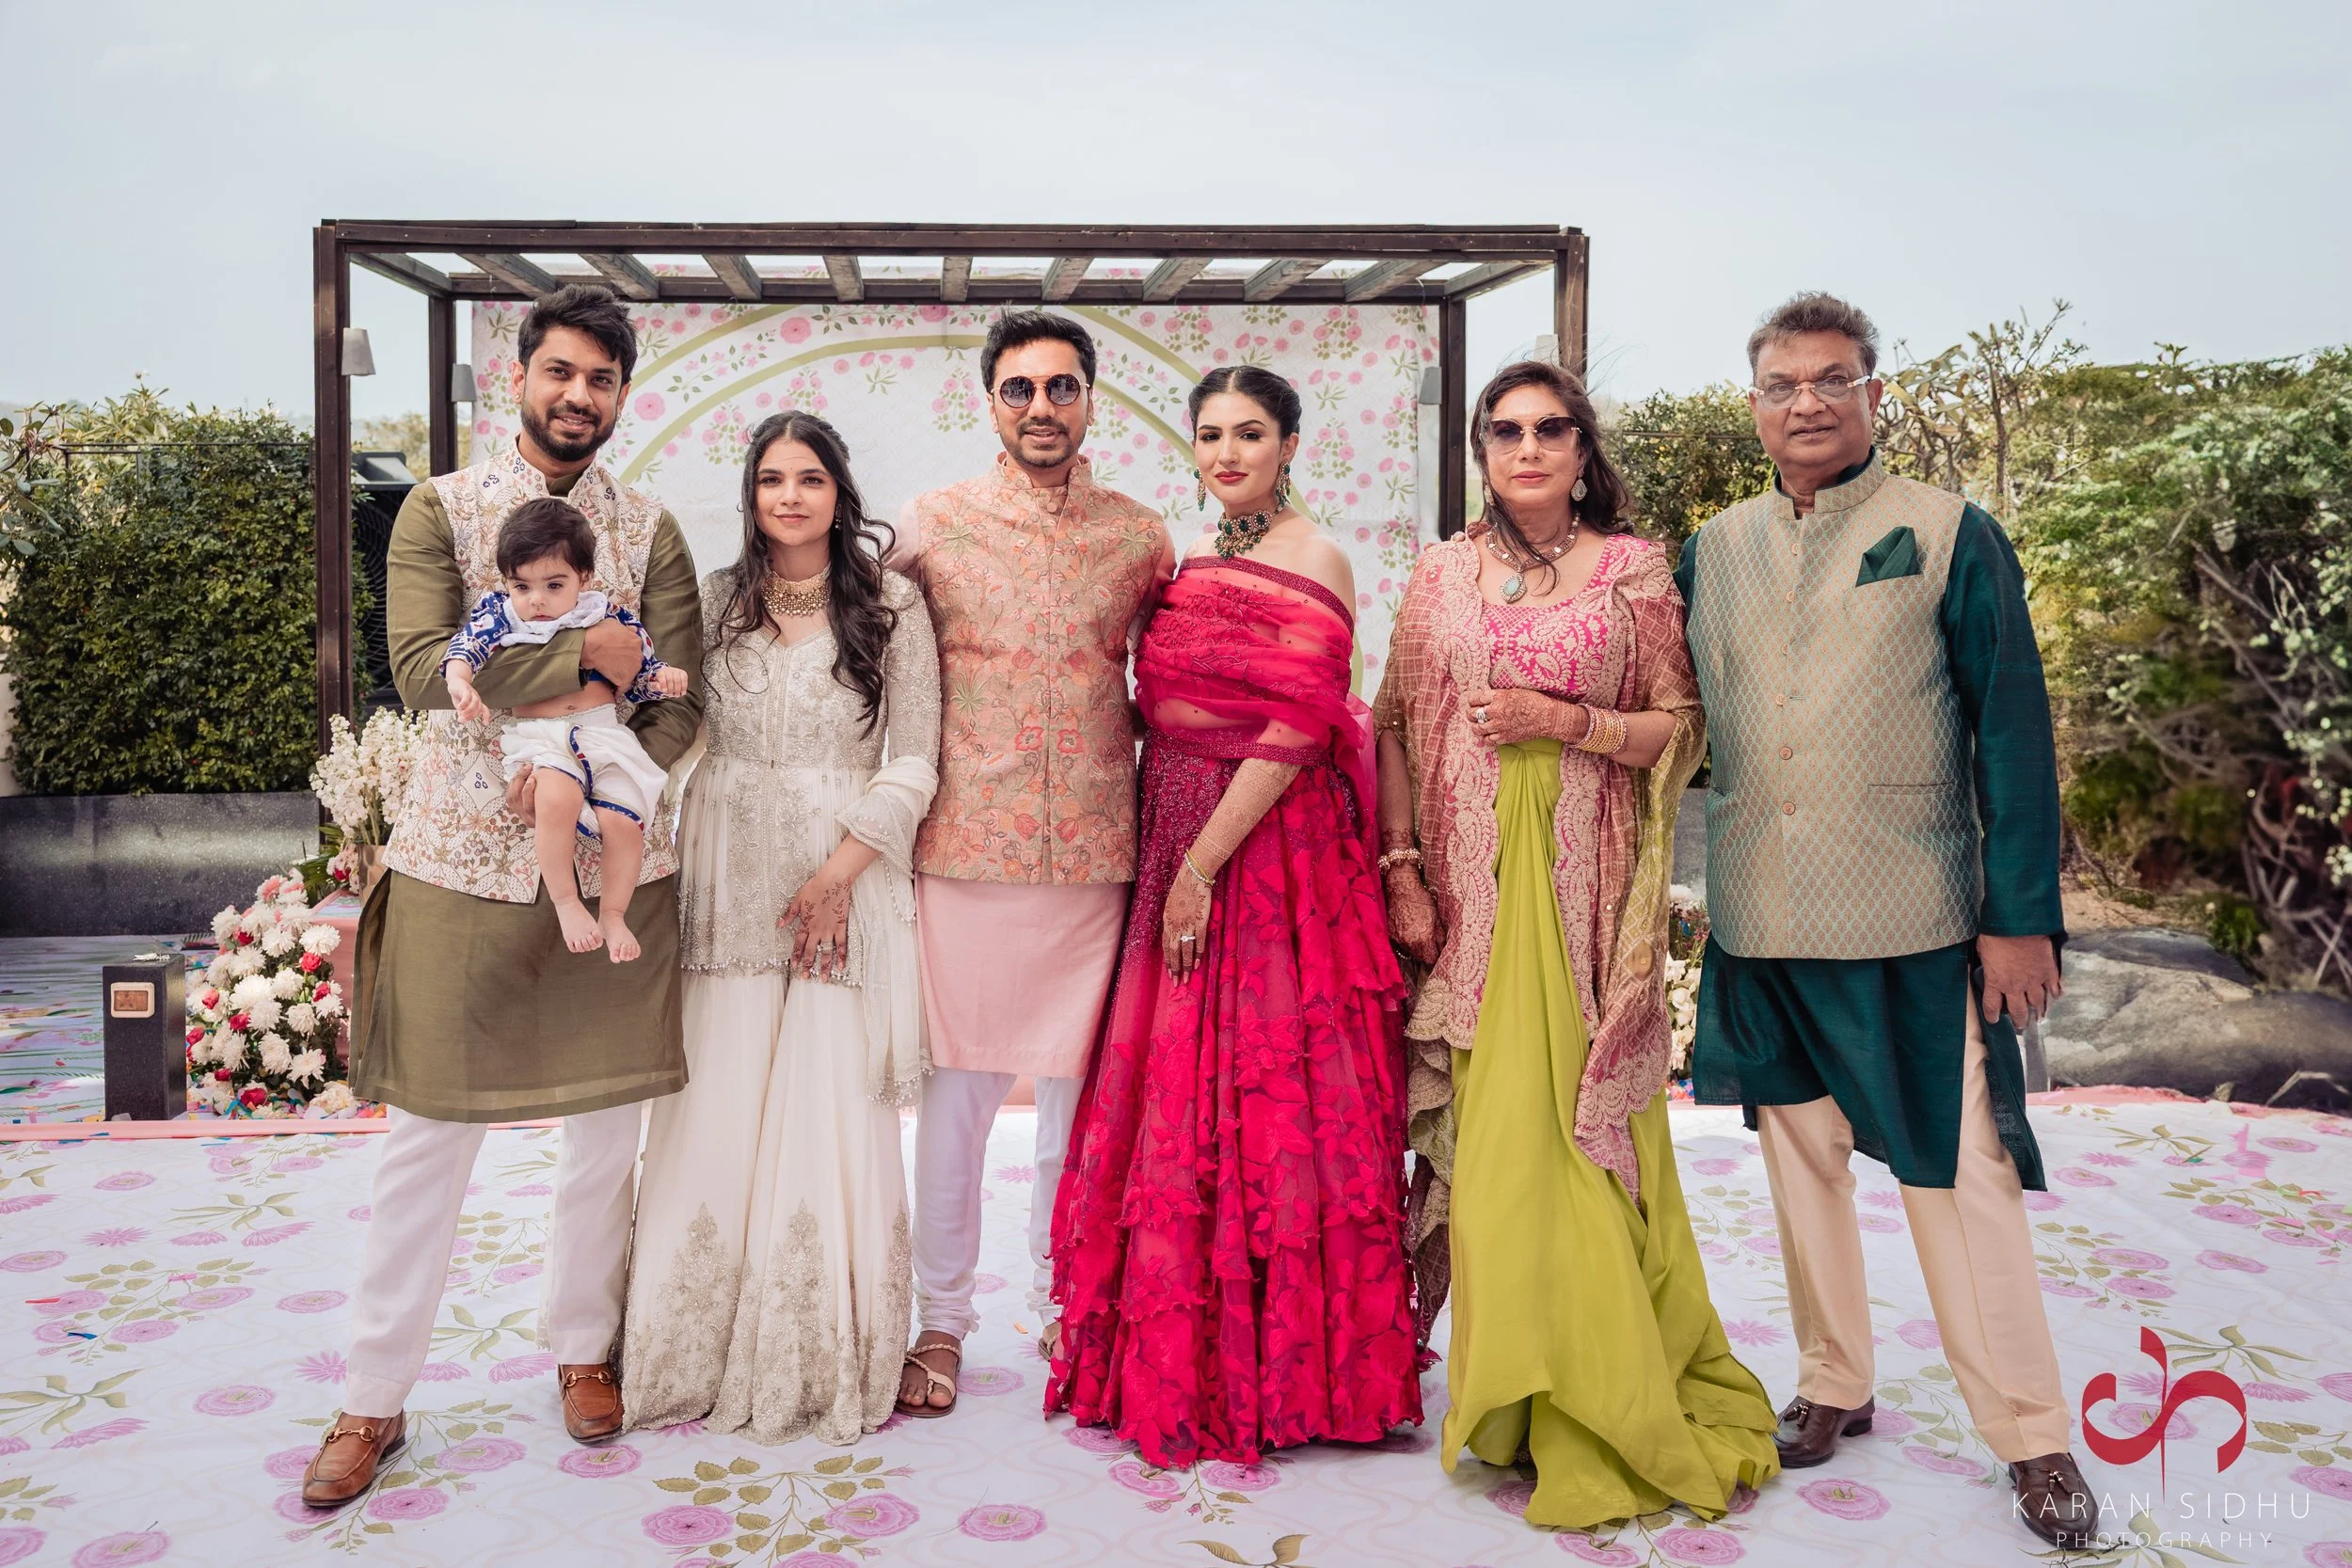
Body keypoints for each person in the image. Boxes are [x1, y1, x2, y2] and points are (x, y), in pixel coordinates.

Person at [1677, 293, 2094, 1550]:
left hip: (1912, 912)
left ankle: (2031, 1433)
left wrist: (2020, 916)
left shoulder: (1951, 532)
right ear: (1754, 402)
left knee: (1959, 1176)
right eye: (1782, 382)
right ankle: (1834, 1380)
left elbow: (2012, 731)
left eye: (1832, 379)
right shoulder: (1711, 547)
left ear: (1874, 395)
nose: (1806, 400)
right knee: (1798, 1160)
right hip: (1758, 910)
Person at [303, 283, 703, 1508]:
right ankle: (373, 1394)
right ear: (519, 378)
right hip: (458, 866)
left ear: (624, 394)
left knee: (603, 1141)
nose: (578, 394)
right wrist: (594, 658)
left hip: (616, 872)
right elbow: (428, 674)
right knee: (428, 1140)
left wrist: (589, 729)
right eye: (560, 371)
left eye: (602, 377)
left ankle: (582, 1345)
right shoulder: (442, 509)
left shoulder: (651, 526)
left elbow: (682, 709)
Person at [1377, 360, 1778, 1528]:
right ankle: (1504, 1395)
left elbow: (1680, 725)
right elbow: (1397, 721)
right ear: (1481, 449)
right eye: (1504, 430)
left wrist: (1567, 722)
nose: (1528, 448)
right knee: (1493, 1146)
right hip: (1465, 888)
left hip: (1581, 886)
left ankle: (1596, 1396)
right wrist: (1401, 867)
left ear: (1581, 445)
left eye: (1551, 428)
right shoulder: (1441, 571)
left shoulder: (1633, 567)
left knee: (1572, 1136)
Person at [1046, 365, 1422, 1465]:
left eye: (1248, 432)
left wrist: (1202, 866)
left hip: (1269, 854)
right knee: (1176, 1083)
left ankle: (1293, 1374)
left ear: (1290, 441)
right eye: (1208, 433)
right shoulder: (1187, 556)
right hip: (1173, 825)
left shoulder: (1320, 556)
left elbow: (1302, 722)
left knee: (1271, 1086)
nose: (1225, 451)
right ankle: (1182, 1349)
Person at [621, 412, 939, 1443]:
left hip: (842, 876)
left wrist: (842, 870)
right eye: (771, 479)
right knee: (715, 1094)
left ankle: (810, 1348)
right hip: (725, 873)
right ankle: (689, 1347)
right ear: (751, 494)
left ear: (840, 490)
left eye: (810, 477)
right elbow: (662, 722)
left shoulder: (891, 604)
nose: (790, 496)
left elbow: (915, 758)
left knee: (826, 1096)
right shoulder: (714, 601)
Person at [889, 311, 1174, 1418]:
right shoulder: (933, 524)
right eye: (1019, 389)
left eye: (1061, 387)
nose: (1040, 407)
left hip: (1098, 854)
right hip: (964, 846)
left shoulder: (1141, 536)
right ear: (989, 401)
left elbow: (1181, 679)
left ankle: (1068, 1303)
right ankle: (942, 1322)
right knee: (954, 1100)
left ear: (1092, 398)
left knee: (1076, 1106)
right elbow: (869, 645)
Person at [442, 497, 691, 961]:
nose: (536, 600)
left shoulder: (608, 615)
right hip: (541, 739)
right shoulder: (501, 613)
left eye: (553, 585)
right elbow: (466, 647)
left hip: (603, 735)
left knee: (625, 820)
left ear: (585, 579)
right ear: (506, 582)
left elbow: (638, 675)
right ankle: (566, 901)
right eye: (522, 585)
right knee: (555, 797)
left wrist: (662, 679)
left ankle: (614, 914)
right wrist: (460, 680)